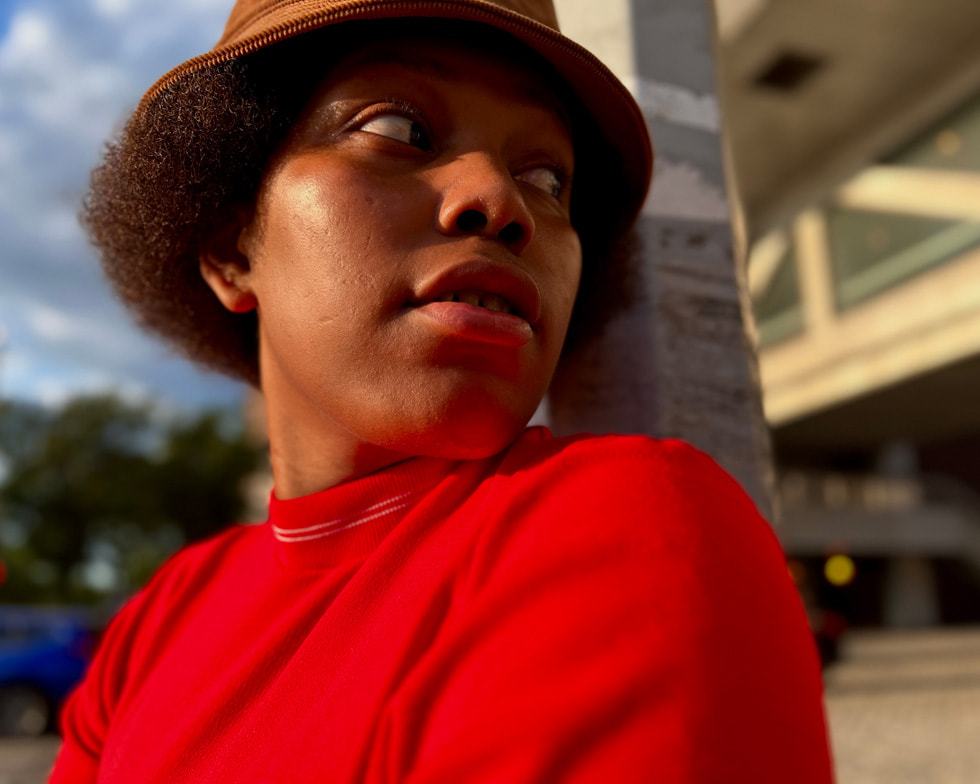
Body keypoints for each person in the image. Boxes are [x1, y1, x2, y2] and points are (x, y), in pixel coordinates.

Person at [51, 1, 833, 781]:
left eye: (547, 177)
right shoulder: (157, 622)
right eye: (397, 130)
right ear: (230, 250)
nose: (500, 200)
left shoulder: (622, 519)